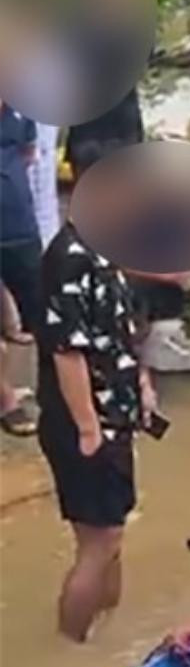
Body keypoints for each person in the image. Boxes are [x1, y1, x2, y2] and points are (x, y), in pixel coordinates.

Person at [35, 210, 153, 640]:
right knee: (100, 544)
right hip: (89, 424)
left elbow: (115, 329)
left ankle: (105, 634)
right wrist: (89, 430)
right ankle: (72, 648)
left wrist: (141, 383)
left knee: (107, 537)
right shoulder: (70, 258)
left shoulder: (102, 247)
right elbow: (67, 352)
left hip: (110, 417)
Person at [1, 100, 42, 435]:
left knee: (43, 315)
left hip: (20, 229)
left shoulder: (21, 110)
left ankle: (56, 392)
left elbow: (28, 155)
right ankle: (6, 403)